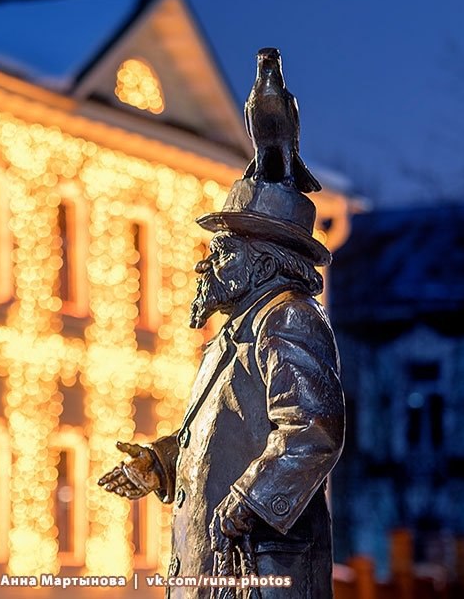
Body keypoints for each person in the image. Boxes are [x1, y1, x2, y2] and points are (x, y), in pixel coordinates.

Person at [99, 171, 345, 599]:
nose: (205, 265)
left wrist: (251, 498)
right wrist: (164, 462)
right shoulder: (234, 335)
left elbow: (313, 430)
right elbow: (230, 438)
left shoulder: (288, 318)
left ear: (264, 265)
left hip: (256, 572)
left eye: (224, 253)